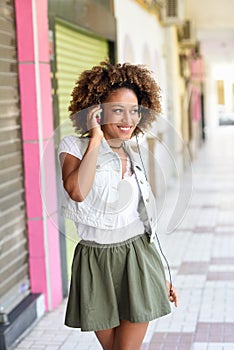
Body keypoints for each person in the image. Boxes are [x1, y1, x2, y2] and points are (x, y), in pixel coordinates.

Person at [58, 61, 178, 350]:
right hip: (94, 261)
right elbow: (77, 190)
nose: (128, 119)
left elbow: (145, 220)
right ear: (96, 110)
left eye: (134, 110)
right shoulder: (73, 147)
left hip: (137, 257)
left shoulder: (133, 152)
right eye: (118, 110)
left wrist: (162, 274)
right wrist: (96, 138)